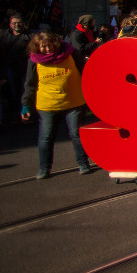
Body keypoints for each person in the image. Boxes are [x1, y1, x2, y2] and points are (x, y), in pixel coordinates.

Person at [21, 32, 93, 179]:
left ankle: (83, 164)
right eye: (44, 47)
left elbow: (85, 71)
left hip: (74, 102)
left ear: (56, 43)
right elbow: (30, 84)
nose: (48, 49)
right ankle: (44, 168)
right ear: (37, 47)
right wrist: (25, 105)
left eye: (50, 45)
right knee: (46, 137)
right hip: (47, 104)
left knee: (76, 134)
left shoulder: (71, 54)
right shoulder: (34, 61)